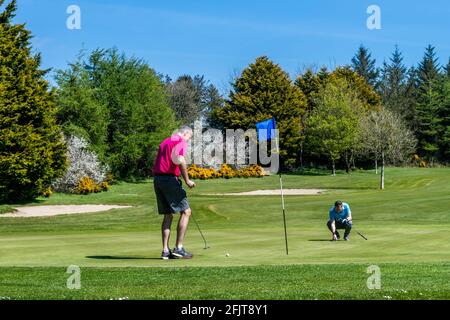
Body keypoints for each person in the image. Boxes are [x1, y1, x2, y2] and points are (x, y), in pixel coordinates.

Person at [153, 126, 196, 259]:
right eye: (190, 137)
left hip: (158, 179)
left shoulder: (165, 141)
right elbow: (181, 160)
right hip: (169, 180)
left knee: (168, 215)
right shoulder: (179, 141)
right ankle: (179, 248)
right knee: (186, 211)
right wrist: (187, 180)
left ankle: (165, 251)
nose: (189, 141)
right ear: (185, 133)